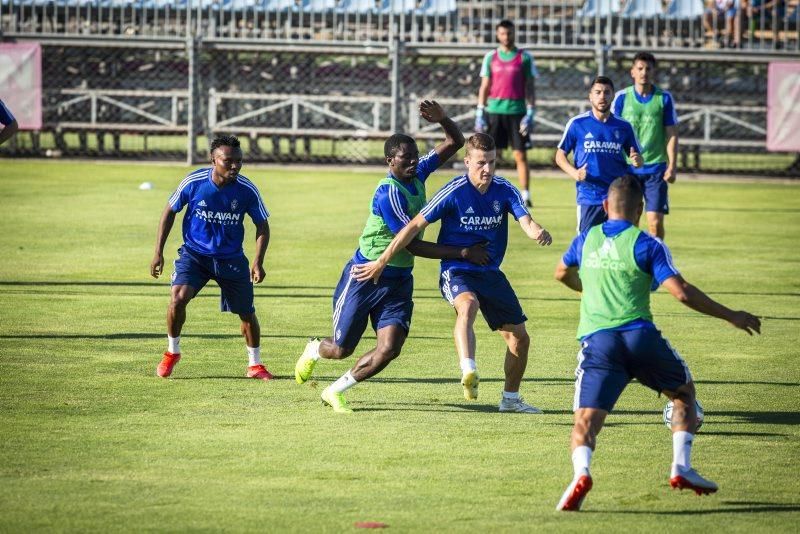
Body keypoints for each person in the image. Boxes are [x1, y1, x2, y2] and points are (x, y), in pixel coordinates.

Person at [553, 176, 761, 511]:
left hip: (599, 343)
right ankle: (681, 465)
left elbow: (561, 273)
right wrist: (730, 315)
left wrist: (587, 288)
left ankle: (582, 474)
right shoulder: (648, 244)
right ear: (640, 210)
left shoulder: (586, 238)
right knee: (683, 393)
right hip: (640, 338)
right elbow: (681, 291)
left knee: (585, 421)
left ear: (605, 206)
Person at [294, 100, 489, 414]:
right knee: (341, 348)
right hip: (365, 275)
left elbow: (455, 142)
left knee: (390, 348)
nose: (413, 163)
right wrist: (463, 252)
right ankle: (315, 349)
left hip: (398, 279)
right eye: (405, 159)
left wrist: (443, 119)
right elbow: (410, 243)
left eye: (414, 156)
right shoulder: (389, 192)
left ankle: (335, 391)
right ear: (390, 161)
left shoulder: (418, 173)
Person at [353, 133, 553, 413]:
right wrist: (383, 259)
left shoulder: (505, 189)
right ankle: (468, 369)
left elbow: (526, 221)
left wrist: (537, 232)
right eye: (481, 163)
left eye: (492, 162)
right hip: (457, 270)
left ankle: (510, 399)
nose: (487, 169)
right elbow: (411, 228)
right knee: (468, 305)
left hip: (490, 272)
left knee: (519, 337)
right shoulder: (454, 191)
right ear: (467, 161)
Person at [150, 135, 273, 381]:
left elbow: (262, 225)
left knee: (246, 312)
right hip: (195, 256)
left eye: (239, 161)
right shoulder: (194, 182)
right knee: (177, 298)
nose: (235, 166)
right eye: (228, 161)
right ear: (213, 160)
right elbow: (169, 212)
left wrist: (257, 260)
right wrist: (158, 252)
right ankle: (172, 352)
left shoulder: (247, 189)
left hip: (231, 259)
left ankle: (255, 365)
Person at [556, 76, 643, 233]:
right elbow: (559, 156)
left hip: (617, 195)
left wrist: (637, 161)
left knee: (618, 244)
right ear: (590, 96)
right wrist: (575, 173)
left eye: (606, 92)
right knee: (586, 245)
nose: (602, 96)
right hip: (589, 195)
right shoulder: (577, 124)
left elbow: (638, 158)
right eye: (598, 92)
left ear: (613, 96)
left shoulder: (624, 126)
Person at [612, 52, 679, 240]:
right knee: (629, 223)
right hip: (627, 170)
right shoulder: (621, 98)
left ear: (654, 72)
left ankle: (657, 263)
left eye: (648, 69)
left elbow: (672, 134)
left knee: (655, 224)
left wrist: (672, 166)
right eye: (640, 68)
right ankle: (634, 264)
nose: (644, 72)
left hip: (655, 169)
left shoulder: (663, 99)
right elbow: (612, 131)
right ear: (632, 71)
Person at [475, 19, 538, 208]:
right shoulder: (490, 57)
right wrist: (480, 111)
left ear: (514, 33)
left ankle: (525, 195)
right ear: (497, 34)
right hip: (494, 111)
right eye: (502, 33)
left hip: (517, 112)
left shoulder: (525, 57)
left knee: (520, 155)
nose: (506, 36)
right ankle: (483, 189)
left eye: (509, 33)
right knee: (489, 155)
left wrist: (531, 112)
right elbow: (485, 86)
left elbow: (530, 87)